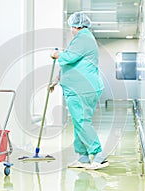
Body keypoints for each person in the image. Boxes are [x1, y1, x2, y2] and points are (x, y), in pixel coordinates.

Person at [50, 12, 109, 170]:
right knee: (78, 123)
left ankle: (98, 156)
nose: (71, 30)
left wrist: (57, 54)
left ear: (76, 26)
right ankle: (83, 158)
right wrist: (56, 80)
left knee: (82, 121)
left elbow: (69, 57)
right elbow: (72, 64)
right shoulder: (82, 39)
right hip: (77, 88)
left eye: (71, 27)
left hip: (83, 89)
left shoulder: (83, 38)